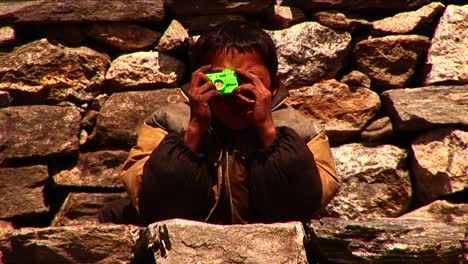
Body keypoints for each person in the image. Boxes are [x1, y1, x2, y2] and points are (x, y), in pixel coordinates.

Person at [98, 21, 340, 225]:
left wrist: (268, 130)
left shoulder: (305, 132)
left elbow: (298, 209)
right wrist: (194, 130)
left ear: (274, 84)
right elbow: (156, 207)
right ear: (199, 80)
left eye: (251, 80)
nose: (236, 92)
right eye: (224, 80)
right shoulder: (166, 123)